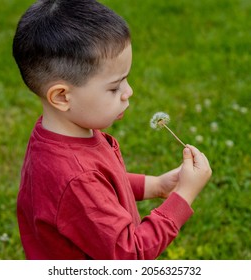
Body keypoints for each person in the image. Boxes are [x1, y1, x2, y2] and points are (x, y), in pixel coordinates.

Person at [12, 0, 212, 260]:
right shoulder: (75, 178)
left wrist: (157, 185)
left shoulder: (64, 133)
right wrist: (184, 196)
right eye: (114, 87)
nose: (129, 92)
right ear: (62, 97)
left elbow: (101, 187)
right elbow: (130, 255)